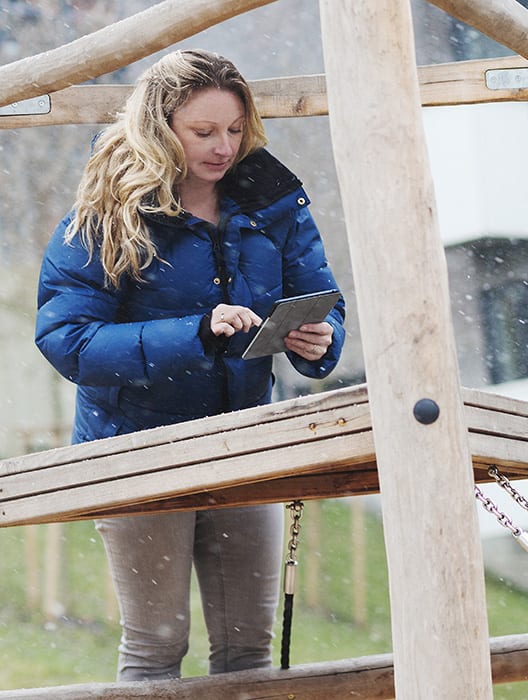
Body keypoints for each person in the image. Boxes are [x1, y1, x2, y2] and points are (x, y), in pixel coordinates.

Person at [34, 49, 346, 681]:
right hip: (137, 451)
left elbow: (324, 302)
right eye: (203, 132)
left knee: (248, 650)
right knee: (156, 648)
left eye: (234, 129)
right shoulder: (103, 214)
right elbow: (69, 341)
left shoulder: (276, 203)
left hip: (244, 447)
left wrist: (319, 341)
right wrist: (195, 333)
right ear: (159, 126)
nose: (224, 147)